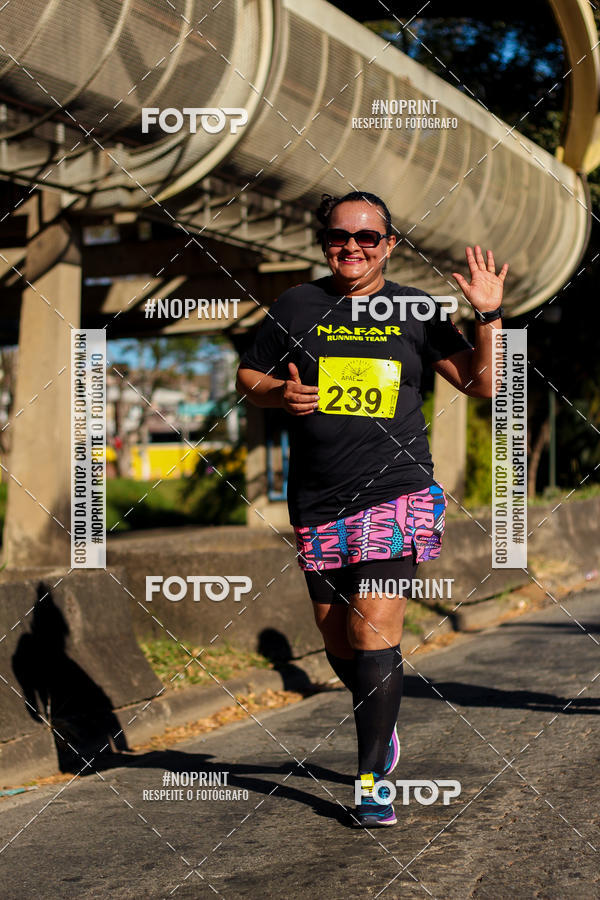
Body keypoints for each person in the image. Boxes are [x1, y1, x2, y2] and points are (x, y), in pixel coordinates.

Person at [236, 190, 508, 827]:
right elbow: (248, 379)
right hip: (317, 500)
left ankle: (371, 782)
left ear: (388, 244)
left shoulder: (415, 308)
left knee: (370, 631)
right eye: (339, 235)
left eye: (367, 236)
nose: (351, 246)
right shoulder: (298, 304)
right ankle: (379, 725)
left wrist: (489, 318)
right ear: (324, 241)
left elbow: (482, 382)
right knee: (338, 639)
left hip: (398, 493)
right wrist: (281, 393)